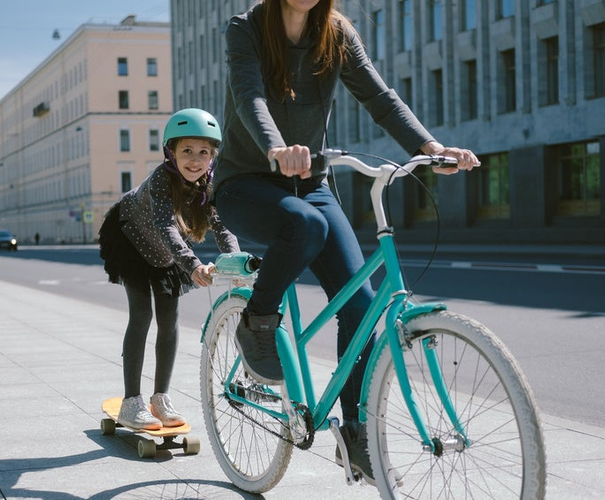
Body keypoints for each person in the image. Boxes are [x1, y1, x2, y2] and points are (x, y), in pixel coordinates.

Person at [211, 0, 479, 484]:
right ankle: (257, 320)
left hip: (309, 182)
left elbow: (380, 98)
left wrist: (432, 148)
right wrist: (276, 148)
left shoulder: (336, 33)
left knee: (361, 305)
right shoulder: (246, 28)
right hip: (246, 181)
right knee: (305, 227)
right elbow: (248, 96)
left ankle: (355, 438)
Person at [98, 108, 240, 431]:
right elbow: (166, 226)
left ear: (212, 157)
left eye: (203, 152)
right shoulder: (162, 180)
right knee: (142, 315)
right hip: (132, 239)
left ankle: (159, 397)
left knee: (169, 320)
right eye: (186, 150)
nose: (195, 159)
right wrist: (191, 265)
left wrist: (236, 260)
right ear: (170, 152)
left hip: (165, 253)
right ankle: (131, 401)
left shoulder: (210, 186)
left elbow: (222, 226)